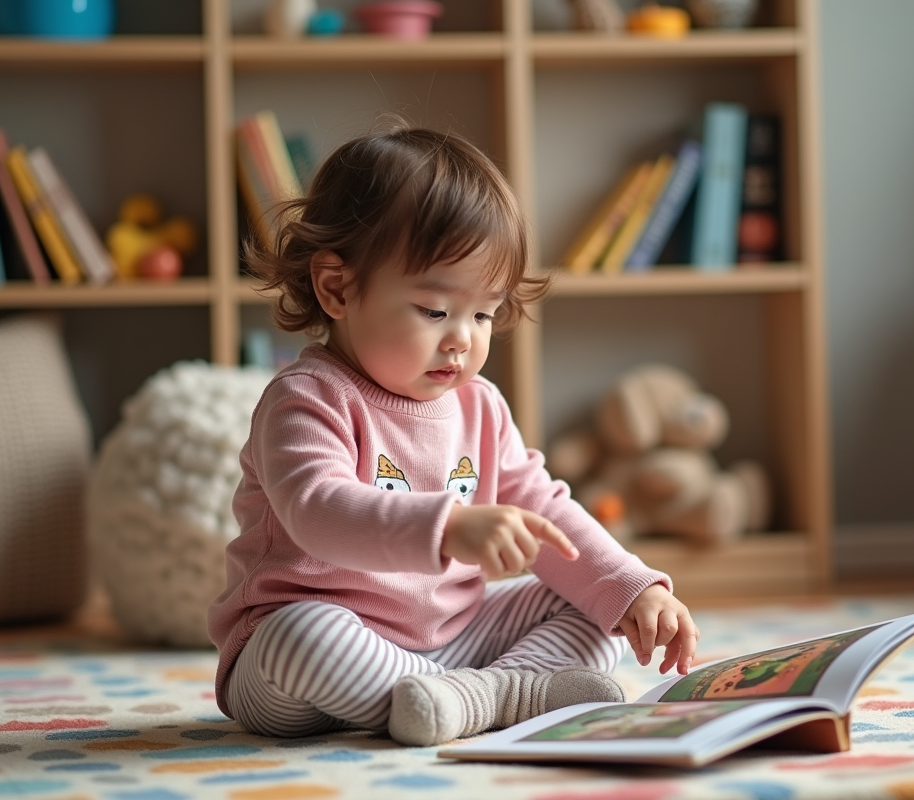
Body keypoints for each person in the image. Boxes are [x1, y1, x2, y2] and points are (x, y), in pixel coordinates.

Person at [208, 122, 700, 748]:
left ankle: (473, 696)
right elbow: (317, 510)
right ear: (338, 287)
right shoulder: (305, 398)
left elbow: (544, 510)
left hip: (452, 639)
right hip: (304, 662)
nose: (462, 338)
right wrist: (447, 527)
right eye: (435, 311)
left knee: (594, 608)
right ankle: (499, 694)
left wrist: (633, 587)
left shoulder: (480, 406)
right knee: (298, 637)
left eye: (484, 313)